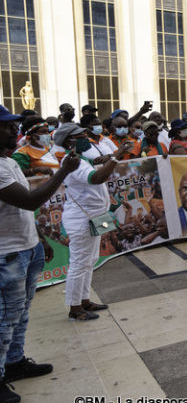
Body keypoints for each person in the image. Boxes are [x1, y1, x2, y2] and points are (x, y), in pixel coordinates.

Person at [0, 105, 82, 403]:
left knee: (20, 314)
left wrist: (41, 239)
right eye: (6, 126)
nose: (13, 130)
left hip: (26, 246)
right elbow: (31, 200)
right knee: (5, 318)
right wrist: (63, 171)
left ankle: (15, 361)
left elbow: (20, 211)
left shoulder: (7, 162)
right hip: (7, 254)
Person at [54, 123, 131, 321]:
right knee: (79, 263)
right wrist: (116, 155)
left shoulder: (81, 159)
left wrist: (109, 157)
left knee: (90, 260)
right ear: (70, 141)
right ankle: (75, 308)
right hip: (82, 220)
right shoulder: (73, 162)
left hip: (95, 217)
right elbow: (96, 178)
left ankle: (84, 299)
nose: (86, 139)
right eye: (81, 136)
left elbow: (98, 163)